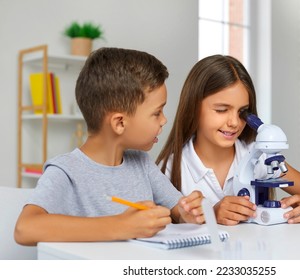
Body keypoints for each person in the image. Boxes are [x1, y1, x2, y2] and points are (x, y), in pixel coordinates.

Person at [14, 47, 204, 246]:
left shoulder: (142, 164)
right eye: (157, 113)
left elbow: (176, 209)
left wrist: (186, 212)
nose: (164, 120)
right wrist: (121, 226)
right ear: (119, 123)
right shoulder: (65, 171)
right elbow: (25, 228)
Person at [156, 54, 300, 226]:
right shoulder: (172, 167)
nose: (234, 123)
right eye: (222, 110)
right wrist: (212, 213)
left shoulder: (259, 157)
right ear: (193, 107)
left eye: (242, 112)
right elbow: (167, 223)